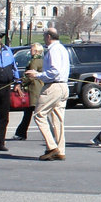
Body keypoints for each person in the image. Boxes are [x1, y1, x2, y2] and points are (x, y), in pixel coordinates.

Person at [28, 28, 70, 161]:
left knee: (39, 115)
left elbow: (54, 71)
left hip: (53, 85)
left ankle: (52, 147)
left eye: (45, 35)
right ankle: (60, 150)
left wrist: (37, 75)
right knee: (57, 118)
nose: (44, 38)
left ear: (49, 36)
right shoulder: (62, 48)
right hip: (63, 85)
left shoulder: (54, 50)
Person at [0, 29, 20, 152]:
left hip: (5, 88)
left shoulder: (7, 50)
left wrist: (17, 82)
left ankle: (1, 143)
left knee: (4, 117)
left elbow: (14, 67)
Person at [13, 42, 43, 141]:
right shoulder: (42, 60)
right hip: (39, 89)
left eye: (31, 49)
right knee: (39, 113)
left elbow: (30, 76)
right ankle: (21, 132)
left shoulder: (34, 62)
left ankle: (21, 133)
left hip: (33, 91)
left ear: (35, 51)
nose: (30, 51)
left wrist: (21, 82)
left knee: (29, 114)